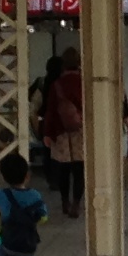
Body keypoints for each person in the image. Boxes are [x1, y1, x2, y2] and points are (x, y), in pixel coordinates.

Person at [42, 46, 87, 218]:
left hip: (61, 132)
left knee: (63, 169)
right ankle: (76, 203)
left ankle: (64, 201)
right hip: (81, 130)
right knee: (79, 169)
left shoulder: (57, 85)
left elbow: (51, 111)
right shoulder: (84, 83)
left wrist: (47, 133)